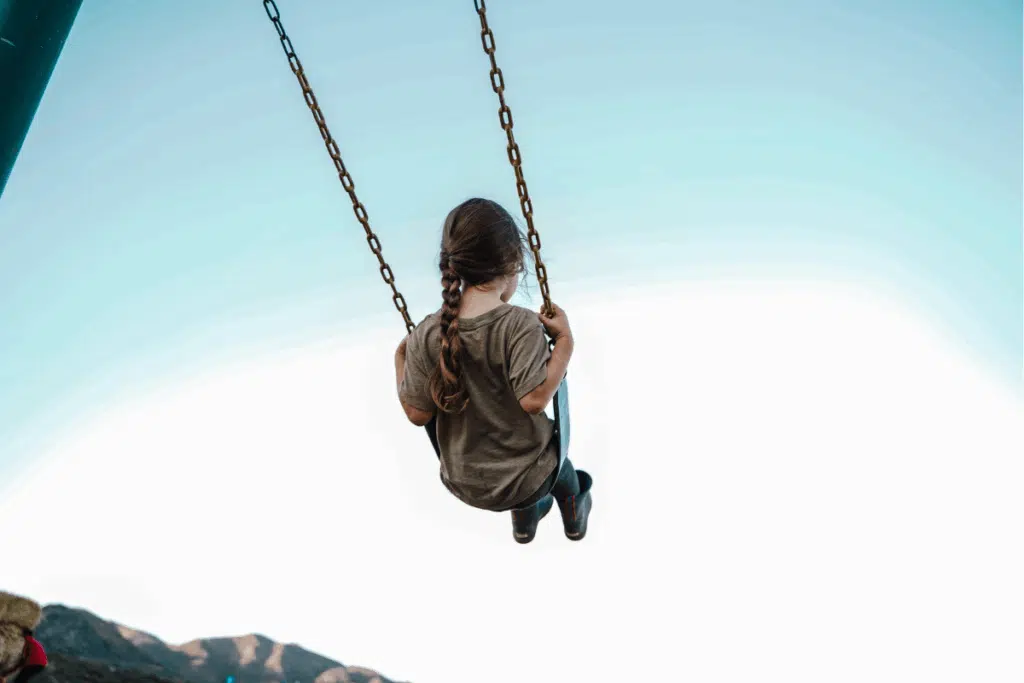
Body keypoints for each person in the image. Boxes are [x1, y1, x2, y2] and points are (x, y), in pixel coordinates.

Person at [395, 197, 593, 543]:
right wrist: (564, 342)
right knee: (560, 469)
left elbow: (416, 412)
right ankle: (574, 508)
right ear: (513, 261)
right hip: (528, 479)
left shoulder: (427, 333)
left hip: (464, 482)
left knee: (521, 464)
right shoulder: (519, 325)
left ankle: (524, 521)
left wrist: (402, 358)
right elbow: (534, 400)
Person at [0, 592, 48, 683]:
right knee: (22, 679)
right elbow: (20, 661)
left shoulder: (27, 641)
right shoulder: (30, 642)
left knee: (21, 680)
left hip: (36, 662)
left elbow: (21, 660)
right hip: (40, 662)